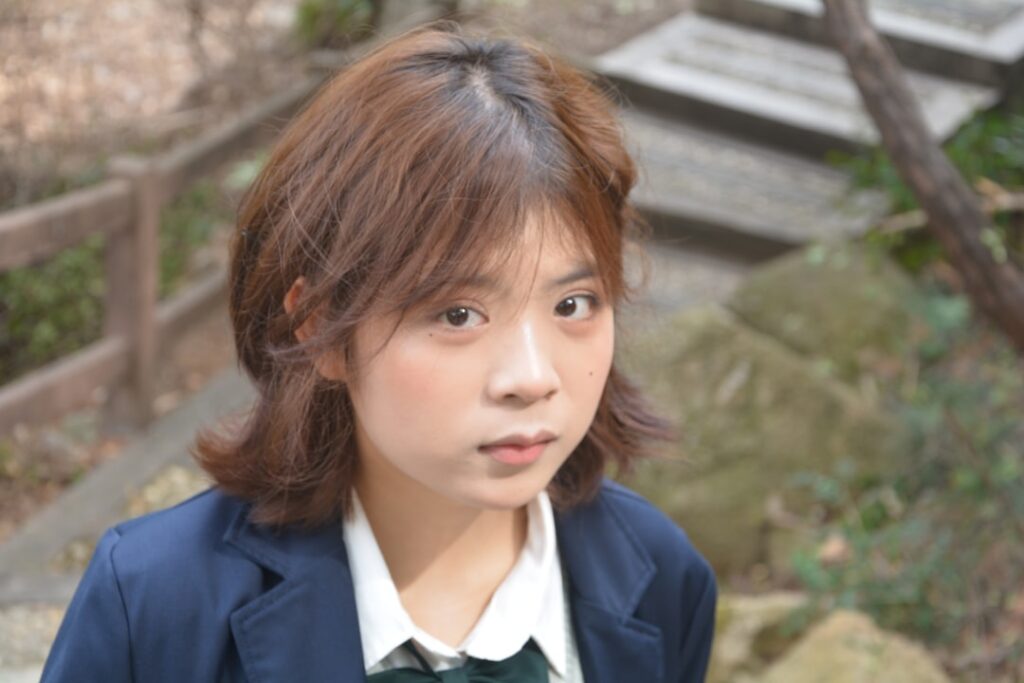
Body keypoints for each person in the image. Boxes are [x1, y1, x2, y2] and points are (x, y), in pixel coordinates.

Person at [41, 21, 717, 683]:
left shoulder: (662, 580)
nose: (532, 377)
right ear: (318, 325)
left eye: (572, 304)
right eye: (458, 314)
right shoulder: (159, 603)